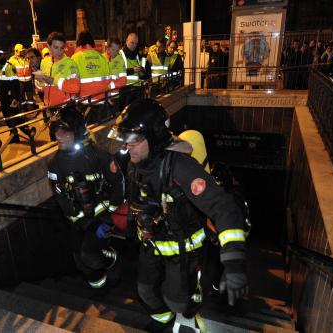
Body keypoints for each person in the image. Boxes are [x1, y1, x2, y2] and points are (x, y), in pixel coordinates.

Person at [108, 99, 248, 331]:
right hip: (151, 245)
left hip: (183, 250)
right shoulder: (135, 161)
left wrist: (233, 263)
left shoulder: (180, 167)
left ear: (153, 138)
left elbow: (223, 207)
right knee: (145, 292)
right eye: (124, 139)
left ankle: (192, 301)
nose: (126, 146)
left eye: (133, 139)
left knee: (178, 300)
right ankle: (164, 323)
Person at [47, 104, 123, 290]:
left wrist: (109, 217)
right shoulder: (54, 165)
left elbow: (118, 184)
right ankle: (99, 287)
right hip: (78, 222)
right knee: (79, 260)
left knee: (90, 256)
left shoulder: (98, 156)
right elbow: (61, 198)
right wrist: (79, 220)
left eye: (65, 132)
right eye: (56, 130)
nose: (58, 136)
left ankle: (113, 263)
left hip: (102, 218)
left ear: (78, 131)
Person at [0, 46, 27, 143]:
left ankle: (28, 131)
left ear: (1, 55)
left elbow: (15, 84)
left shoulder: (9, 66)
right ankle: (14, 135)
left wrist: (15, 98)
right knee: (7, 117)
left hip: (10, 97)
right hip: (2, 98)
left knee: (16, 117)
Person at [35, 32, 80, 107]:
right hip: (47, 106)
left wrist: (53, 80)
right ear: (48, 46)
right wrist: (39, 81)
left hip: (64, 107)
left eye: (62, 48)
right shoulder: (44, 62)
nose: (60, 51)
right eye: (56, 47)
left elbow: (76, 88)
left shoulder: (70, 63)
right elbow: (42, 87)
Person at [71, 31, 111, 103]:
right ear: (92, 42)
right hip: (102, 101)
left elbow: (72, 83)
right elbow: (108, 80)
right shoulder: (101, 57)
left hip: (84, 102)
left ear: (79, 41)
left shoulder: (75, 58)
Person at [9, 44, 34, 111]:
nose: (23, 52)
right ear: (16, 51)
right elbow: (8, 70)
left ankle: (31, 109)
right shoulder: (12, 59)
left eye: (23, 51)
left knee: (30, 97)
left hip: (28, 81)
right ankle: (23, 109)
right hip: (19, 82)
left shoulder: (27, 57)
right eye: (21, 51)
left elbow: (31, 67)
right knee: (21, 97)